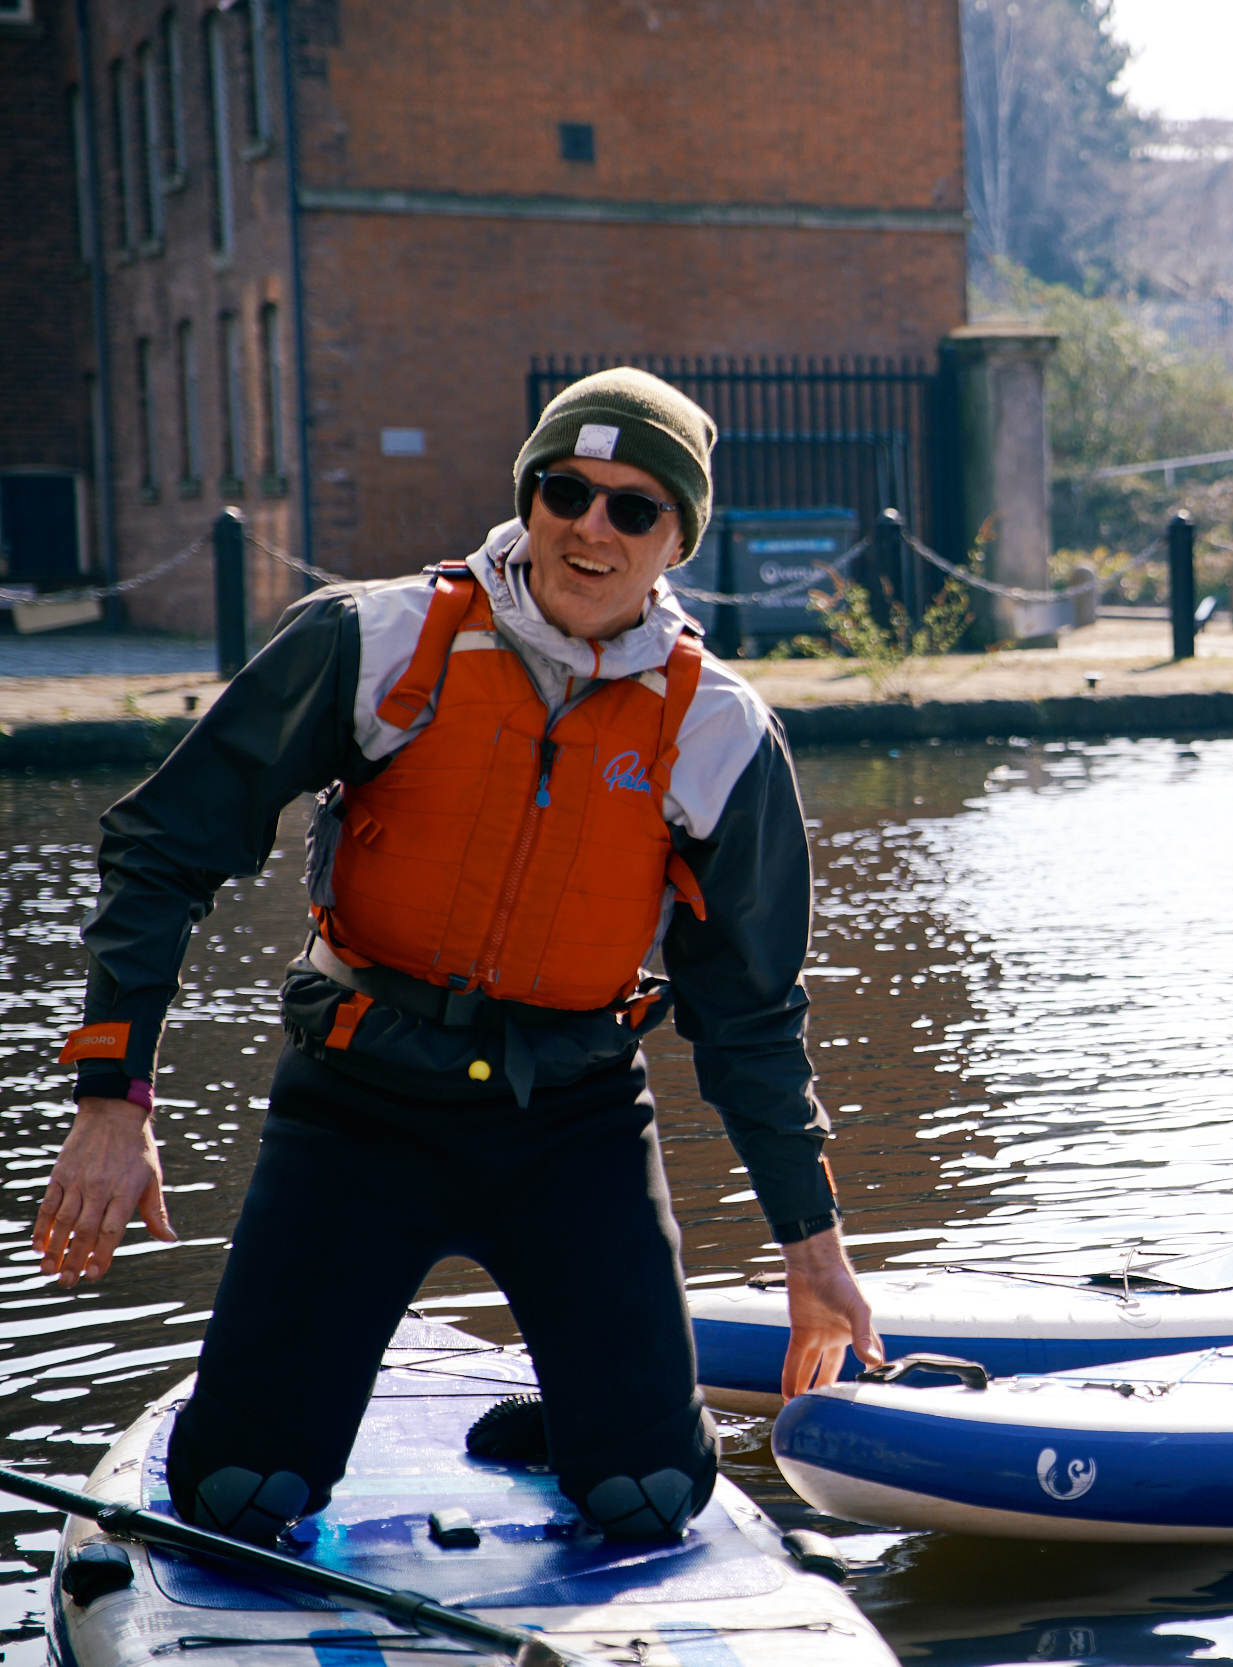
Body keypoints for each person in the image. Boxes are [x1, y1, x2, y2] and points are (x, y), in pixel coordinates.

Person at [33, 368, 885, 1545]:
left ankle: (586, 1415)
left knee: (647, 1496)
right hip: (358, 1105)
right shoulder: (370, 639)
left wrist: (812, 1246)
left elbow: (749, 1013)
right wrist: (112, 1098)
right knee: (239, 1491)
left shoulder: (721, 729)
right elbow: (162, 847)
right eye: (564, 490)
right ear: (528, 497)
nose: (590, 527)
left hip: (573, 1123)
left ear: (676, 538)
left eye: (632, 507)